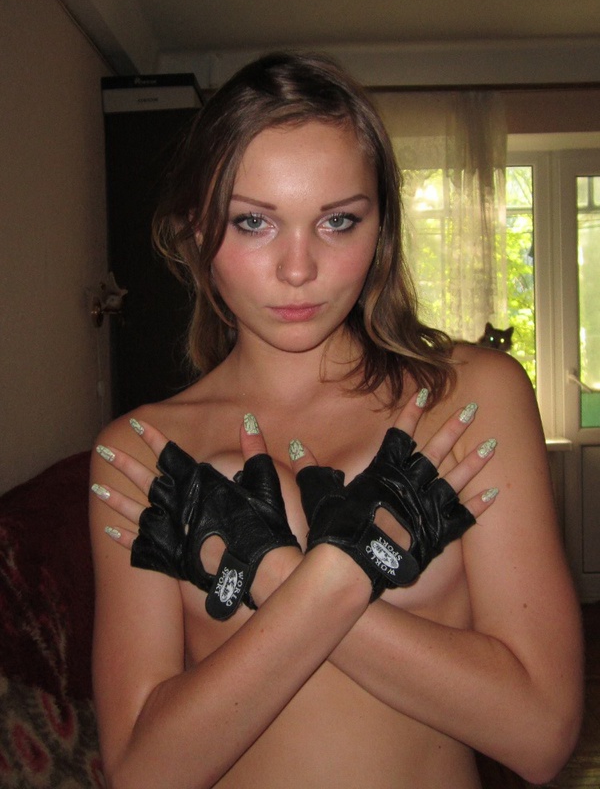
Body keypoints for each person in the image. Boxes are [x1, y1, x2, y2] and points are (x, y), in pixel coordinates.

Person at [89, 52, 583, 789]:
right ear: (195, 231)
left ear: (380, 229)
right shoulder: (143, 452)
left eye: (338, 221)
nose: (298, 269)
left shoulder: (471, 396)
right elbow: (142, 772)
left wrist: (280, 578)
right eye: (253, 222)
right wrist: (338, 571)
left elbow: (540, 735)